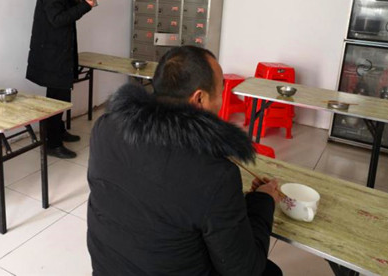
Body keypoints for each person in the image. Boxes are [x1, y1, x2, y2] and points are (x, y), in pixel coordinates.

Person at [87, 46, 282, 275]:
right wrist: (263, 201)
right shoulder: (215, 175)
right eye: (220, 92)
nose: (221, 100)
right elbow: (244, 270)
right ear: (199, 98)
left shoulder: (104, 128)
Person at [26, 0, 97, 159]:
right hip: (51, 55)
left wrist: (79, 2)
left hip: (60, 52)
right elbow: (57, 19)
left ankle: (59, 130)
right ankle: (52, 144)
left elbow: (65, 14)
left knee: (62, 96)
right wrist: (84, 7)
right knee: (56, 99)